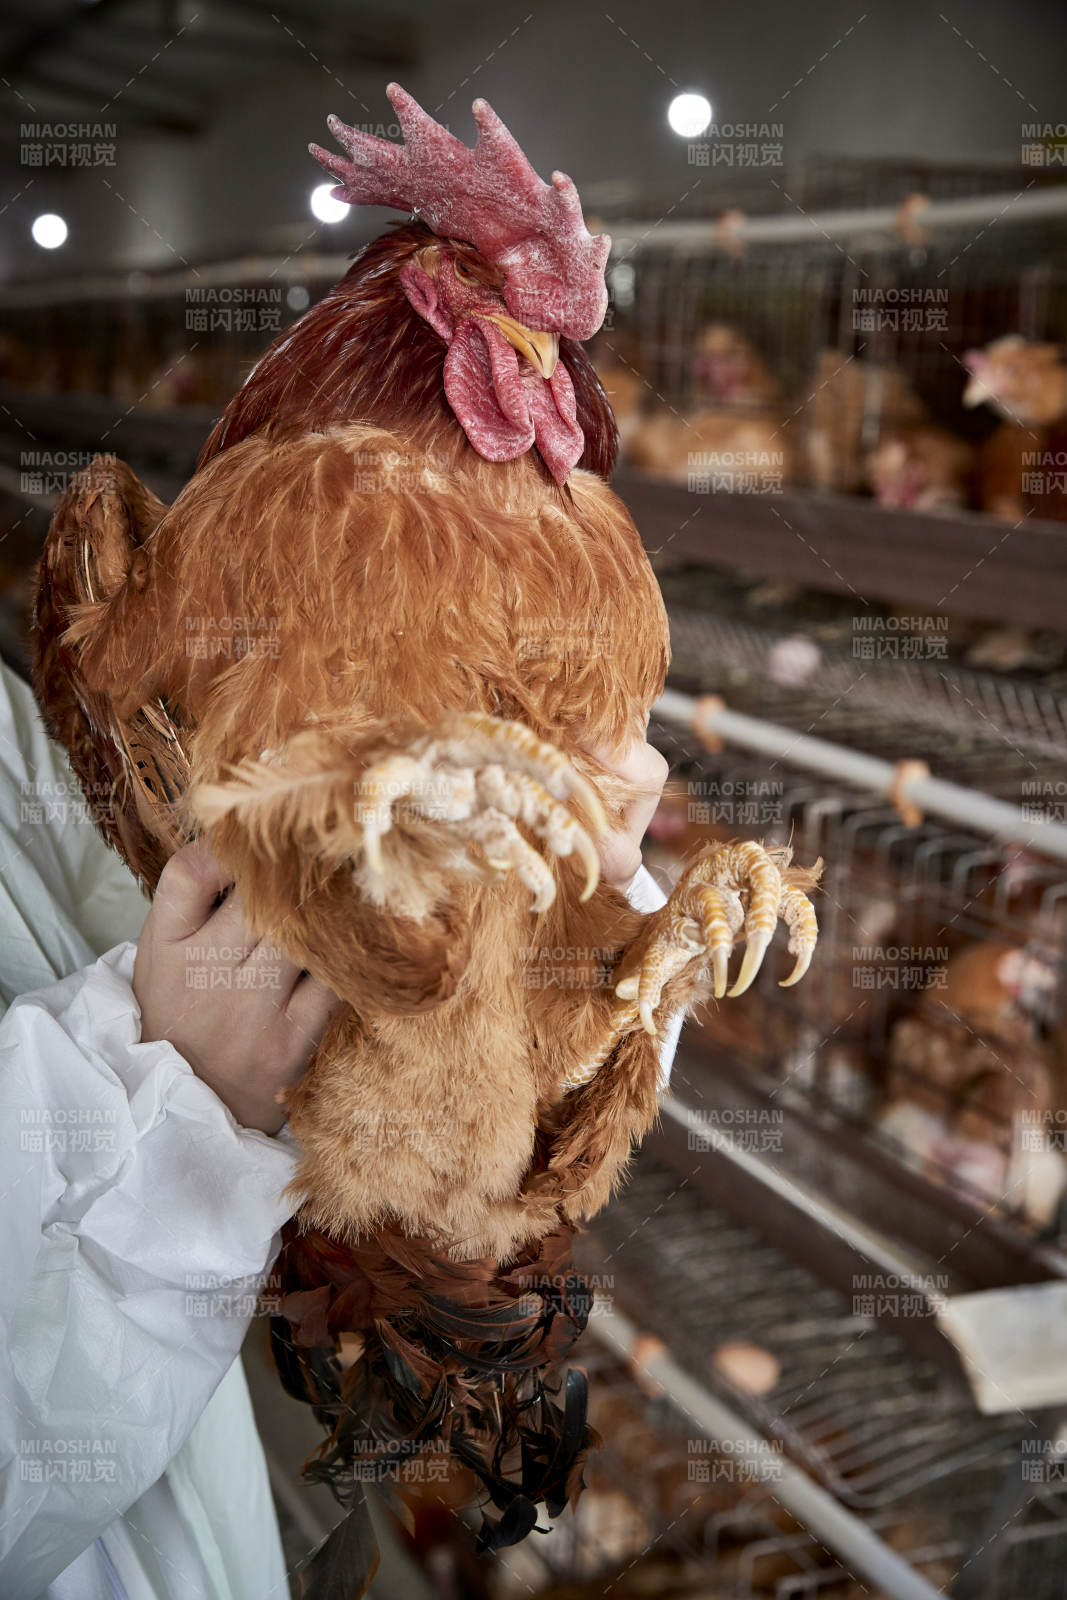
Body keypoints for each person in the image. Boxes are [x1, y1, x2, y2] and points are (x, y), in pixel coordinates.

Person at [0, 661, 679, 1598]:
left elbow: (158, 921)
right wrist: (168, 1108)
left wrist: (559, 933)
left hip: (184, 1444)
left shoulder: (7, 717)